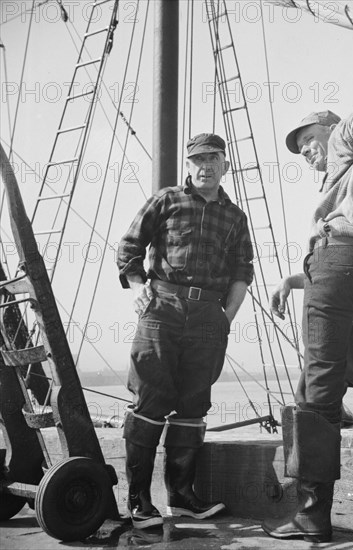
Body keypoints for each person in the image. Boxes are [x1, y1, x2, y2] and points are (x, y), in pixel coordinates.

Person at [262, 106, 353, 542]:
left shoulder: (346, 145)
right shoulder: (340, 171)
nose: (307, 150)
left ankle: (311, 515)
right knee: (324, 372)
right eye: (301, 148)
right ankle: (338, 409)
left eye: (310, 138)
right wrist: (295, 279)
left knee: (314, 392)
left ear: (330, 129)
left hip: (341, 265)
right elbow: (350, 254)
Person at [117, 133, 254, 529]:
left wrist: (225, 315)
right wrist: (140, 288)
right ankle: (139, 502)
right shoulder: (166, 200)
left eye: (213, 158)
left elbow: (243, 270)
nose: (205, 166)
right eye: (197, 159)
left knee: (194, 404)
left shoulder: (235, 217)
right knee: (150, 400)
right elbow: (129, 247)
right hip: (163, 309)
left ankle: (182, 499)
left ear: (225, 165)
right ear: (188, 165)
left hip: (209, 315)